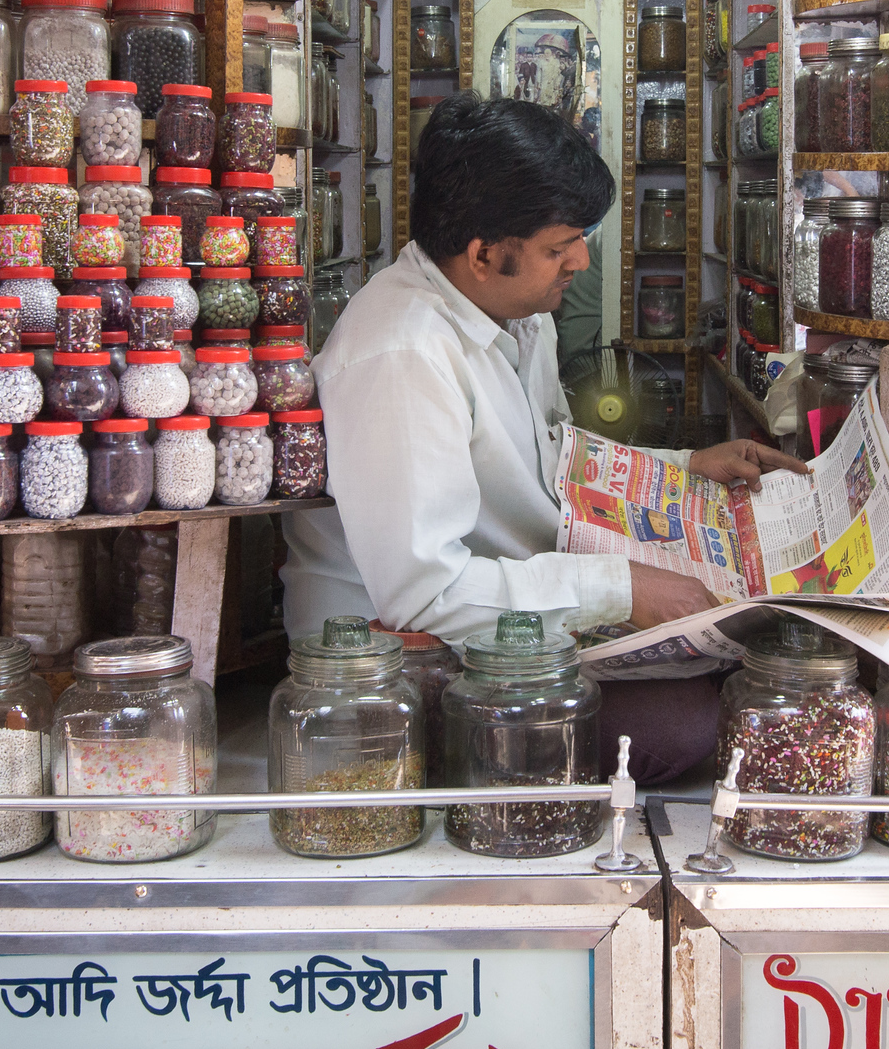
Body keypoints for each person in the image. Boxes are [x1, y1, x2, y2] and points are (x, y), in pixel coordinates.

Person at [282, 92, 807, 781]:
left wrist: (683, 466)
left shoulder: (517, 312)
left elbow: (552, 453)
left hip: (497, 598)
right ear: (483, 253)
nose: (581, 262)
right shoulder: (402, 353)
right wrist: (622, 589)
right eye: (560, 246)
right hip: (399, 657)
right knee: (683, 727)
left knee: (736, 681)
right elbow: (424, 594)